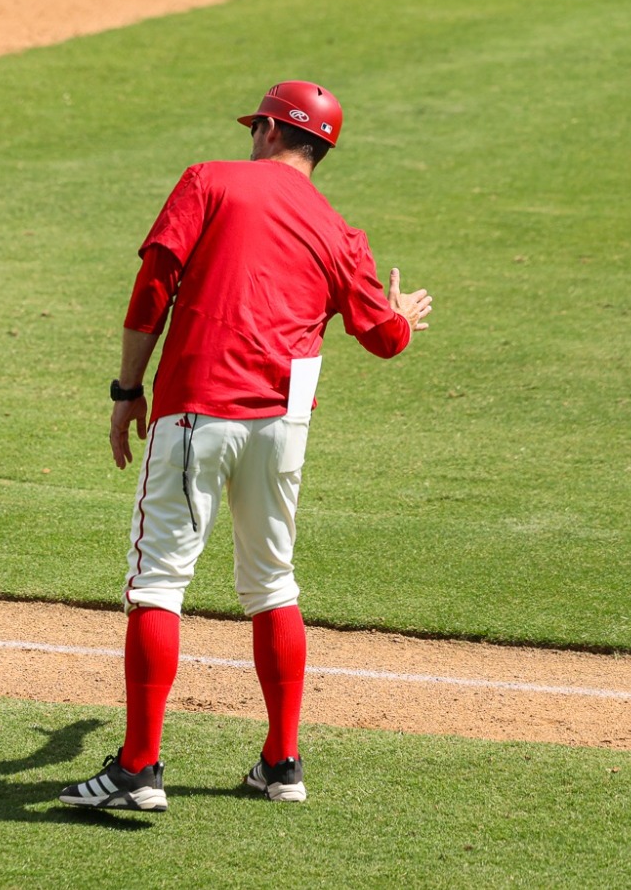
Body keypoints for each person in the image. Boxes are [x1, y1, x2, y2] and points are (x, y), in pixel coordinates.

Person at [59, 81, 431, 810]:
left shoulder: (211, 180)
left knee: (159, 582)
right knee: (272, 583)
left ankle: (138, 771)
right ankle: (282, 762)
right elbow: (382, 338)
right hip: (283, 427)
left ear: (266, 128)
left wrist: (126, 388)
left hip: (200, 407)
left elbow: (153, 286)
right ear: (321, 149)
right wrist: (404, 313)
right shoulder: (336, 228)